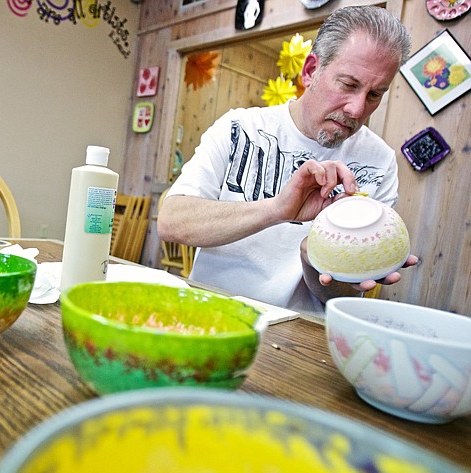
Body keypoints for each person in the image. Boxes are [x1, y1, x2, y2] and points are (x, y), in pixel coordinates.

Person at [157, 5, 418, 315]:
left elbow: (340, 297)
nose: (358, 109)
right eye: (349, 85)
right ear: (310, 71)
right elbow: (172, 221)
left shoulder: (379, 163)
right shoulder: (240, 127)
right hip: (210, 313)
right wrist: (277, 210)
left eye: (375, 95)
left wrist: (314, 258)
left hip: (301, 333)